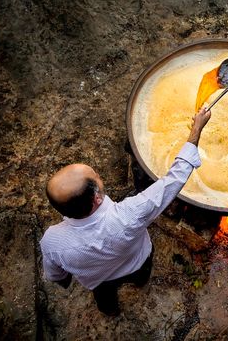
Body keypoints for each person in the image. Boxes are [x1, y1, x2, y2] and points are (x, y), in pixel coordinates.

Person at [40, 107, 211, 316]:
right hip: (137, 262)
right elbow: (174, 180)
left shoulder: (52, 241)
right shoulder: (130, 214)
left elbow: (56, 275)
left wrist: (65, 279)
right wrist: (196, 129)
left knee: (105, 298)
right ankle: (139, 283)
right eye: (96, 176)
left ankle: (110, 311)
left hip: (99, 281)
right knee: (141, 276)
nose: (99, 175)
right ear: (97, 198)